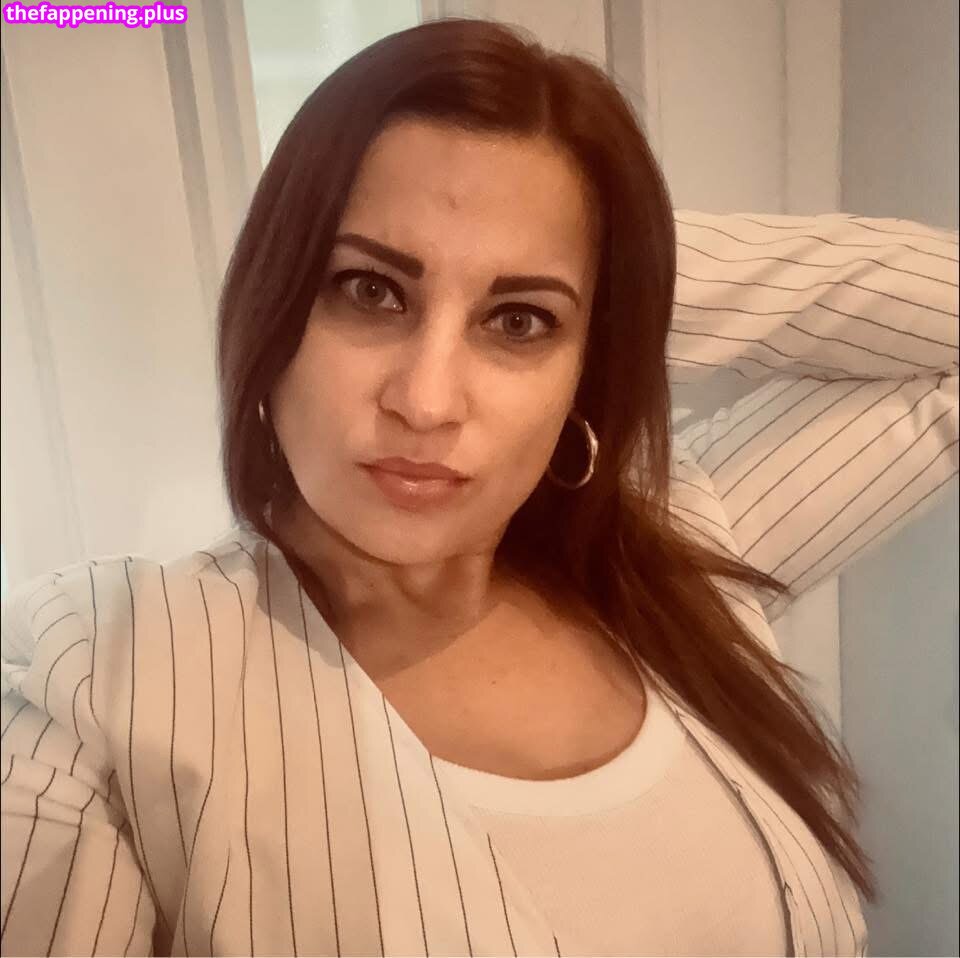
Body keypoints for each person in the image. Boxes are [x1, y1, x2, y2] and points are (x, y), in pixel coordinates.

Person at [1, 16, 957, 958]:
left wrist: (620, 260)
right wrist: (535, 270)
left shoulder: (677, 548)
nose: (426, 401)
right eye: (370, 290)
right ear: (274, 303)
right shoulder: (97, 675)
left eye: (520, 322)